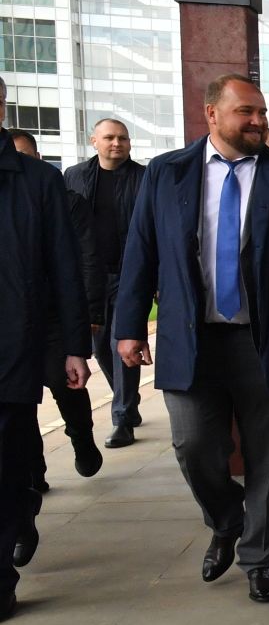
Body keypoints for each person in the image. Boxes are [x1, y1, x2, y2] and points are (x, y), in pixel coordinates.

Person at [114, 75, 269, 603]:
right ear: (211, 114)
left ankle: (260, 557)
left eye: (261, 111)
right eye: (246, 111)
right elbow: (140, 254)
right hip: (191, 340)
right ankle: (225, 518)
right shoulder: (166, 174)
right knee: (193, 446)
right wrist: (128, 327)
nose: (258, 121)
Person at [0, 92, 91, 615]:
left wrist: (75, 347)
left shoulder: (35, 181)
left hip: (13, 345)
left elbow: (64, 266)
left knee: (7, 460)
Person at [65, 117, 146, 449]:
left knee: (122, 343)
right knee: (98, 347)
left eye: (123, 138)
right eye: (110, 138)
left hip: (129, 275)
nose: (117, 143)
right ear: (93, 141)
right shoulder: (73, 176)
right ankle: (126, 399)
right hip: (90, 277)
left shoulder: (144, 178)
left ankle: (123, 418)